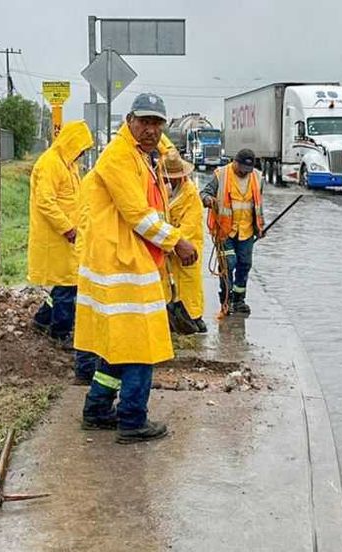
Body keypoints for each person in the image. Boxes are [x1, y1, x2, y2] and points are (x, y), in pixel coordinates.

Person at [75, 93, 199, 444]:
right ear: (129, 120)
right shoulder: (119, 156)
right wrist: (177, 241)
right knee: (142, 345)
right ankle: (132, 419)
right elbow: (137, 213)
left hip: (127, 259)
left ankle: (97, 409)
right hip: (122, 263)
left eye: (157, 123)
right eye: (145, 121)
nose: (151, 129)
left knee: (119, 344)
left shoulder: (142, 156)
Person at [27, 120, 93, 349]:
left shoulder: (68, 164)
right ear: (72, 143)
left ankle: (42, 319)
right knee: (68, 284)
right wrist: (67, 228)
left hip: (69, 236)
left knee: (66, 282)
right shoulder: (50, 164)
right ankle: (60, 333)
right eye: (82, 148)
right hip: (58, 236)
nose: (83, 153)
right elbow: (45, 201)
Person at [201, 149, 264, 316]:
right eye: (241, 167)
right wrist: (208, 200)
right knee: (228, 264)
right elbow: (204, 193)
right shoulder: (221, 175)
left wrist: (260, 227)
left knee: (244, 264)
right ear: (234, 162)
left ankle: (239, 299)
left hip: (246, 231)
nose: (244, 172)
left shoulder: (257, 177)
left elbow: (258, 205)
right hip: (224, 232)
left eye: (247, 169)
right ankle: (226, 299)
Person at [163, 150, 207, 333]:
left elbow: (189, 226)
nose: (171, 180)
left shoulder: (191, 195)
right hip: (169, 247)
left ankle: (195, 319)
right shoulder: (165, 191)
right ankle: (175, 319)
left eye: (174, 177)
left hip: (187, 248)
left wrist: (172, 241)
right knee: (171, 287)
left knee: (190, 285)